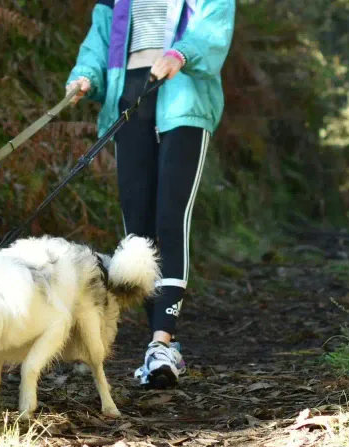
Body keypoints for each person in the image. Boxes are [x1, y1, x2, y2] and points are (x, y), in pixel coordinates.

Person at [66, 0, 235, 389]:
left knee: (169, 218)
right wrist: (84, 77)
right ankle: (151, 343)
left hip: (183, 95)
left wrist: (181, 53)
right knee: (137, 231)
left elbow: (214, 25)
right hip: (130, 98)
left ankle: (164, 343)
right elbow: (100, 40)